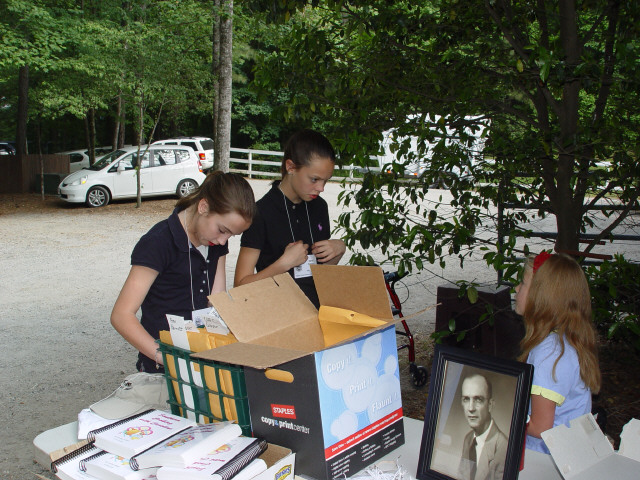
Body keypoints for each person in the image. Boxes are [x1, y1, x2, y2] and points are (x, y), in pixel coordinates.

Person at [111, 171, 256, 372]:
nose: (223, 241)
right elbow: (121, 315)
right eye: (223, 230)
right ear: (203, 207)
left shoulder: (215, 242)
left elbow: (217, 300)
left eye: (231, 235)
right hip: (163, 365)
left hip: (203, 358)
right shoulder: (157, 242)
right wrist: (165, 358)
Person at [234, 129, 346, 307]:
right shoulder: (261, 212)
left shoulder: (319, 207)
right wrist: (283, 264)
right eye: (314, 179)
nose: (321, 188)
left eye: (325, 180)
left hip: (318, 309)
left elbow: (322, 273)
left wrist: (338, 249)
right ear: (291, 167)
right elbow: (240, 287)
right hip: (277, 311)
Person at [515, 252, 601, 454]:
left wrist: (500, 414)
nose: (517, 288)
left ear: (541, 296)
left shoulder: (550, 353)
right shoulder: (561, 342)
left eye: (523, 283)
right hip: (567, 453)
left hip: (547, 460)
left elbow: (540, 428)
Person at [457, 373, 508, 480]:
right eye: (466, 399)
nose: (471, 408)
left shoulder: (504, 447)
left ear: (490, 405)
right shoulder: (468, 439)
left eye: (478, 399)